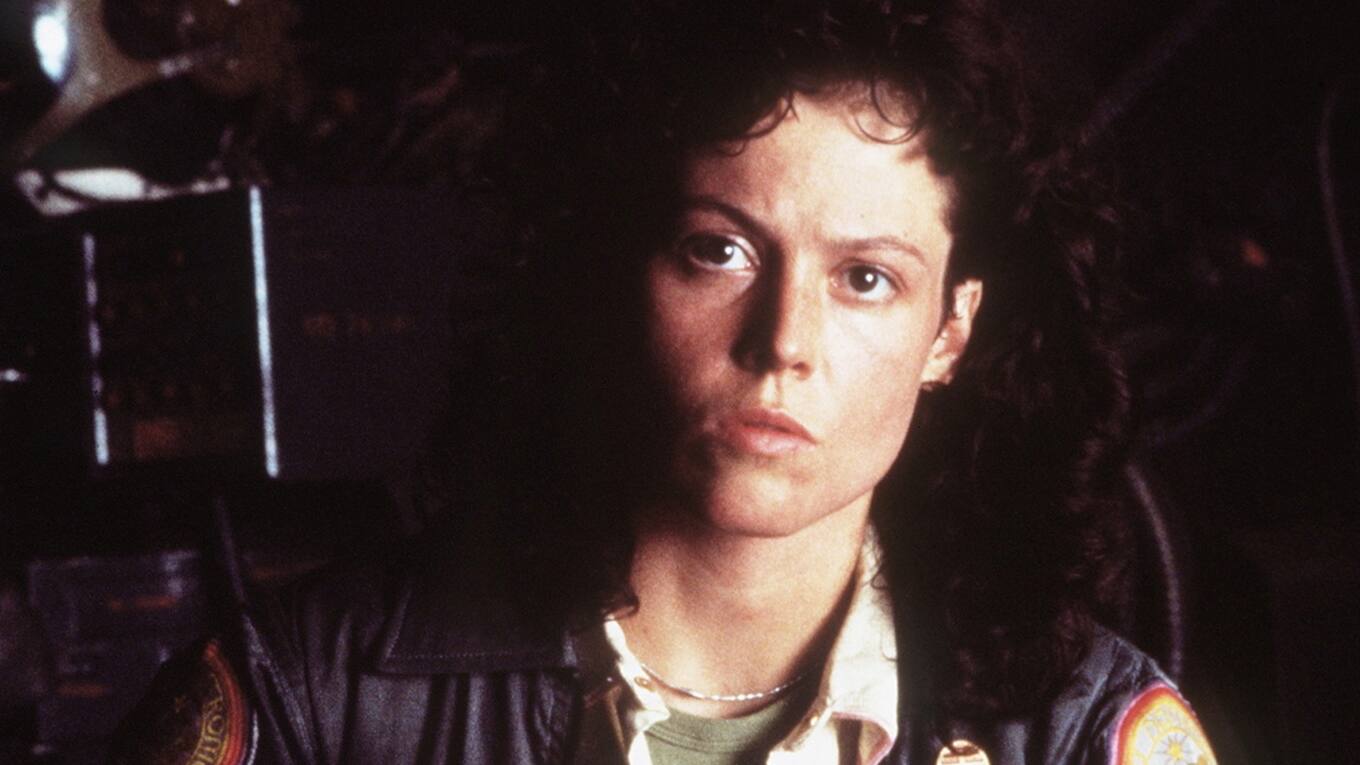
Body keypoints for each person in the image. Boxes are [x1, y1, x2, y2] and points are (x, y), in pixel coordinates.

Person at [111, 1, 1219, 763]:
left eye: (867, 278)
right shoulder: (306, 696)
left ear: (949, 333)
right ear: (611, 269)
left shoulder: (1084, 735)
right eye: (718, 250)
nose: (783, 340)